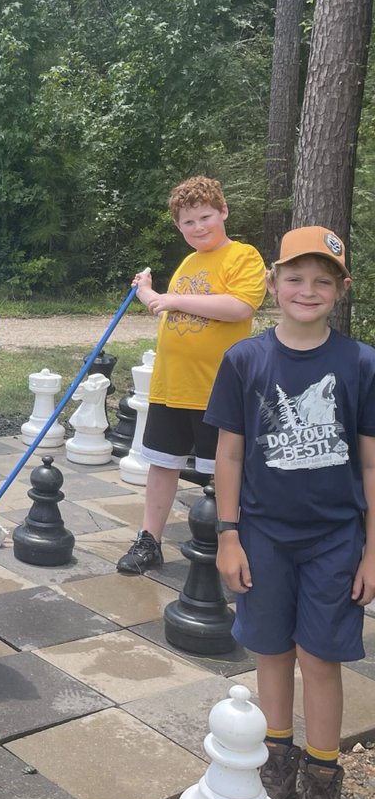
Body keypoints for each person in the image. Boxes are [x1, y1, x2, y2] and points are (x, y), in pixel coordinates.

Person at [206, 226, 375, 799]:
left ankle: (323, 779)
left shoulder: (361, 364)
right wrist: (228, 535)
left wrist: (372, 549)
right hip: (261, 536)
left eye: (322, 280)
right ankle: (276, 763)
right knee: (272, 651)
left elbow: (370, 463)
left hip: (336, 540)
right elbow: (228, 455)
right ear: (273, 283)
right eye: (295, 278)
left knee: (320, 657)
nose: (308, 290)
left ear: (341, 288)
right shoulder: (245, 360)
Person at [116, 175, 265, 574]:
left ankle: (235, 545)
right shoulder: (188, 262)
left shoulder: (243, 256)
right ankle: (149, 540)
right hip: (171, 385)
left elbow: (240, 307)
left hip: (217, 389)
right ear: (178, 226)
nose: (198, 227)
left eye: (205, 217)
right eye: (188, 222)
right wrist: (147, 292)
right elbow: (169, 311)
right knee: (162, 464)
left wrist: (173, 299)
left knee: (225, 471)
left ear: (223, 212)